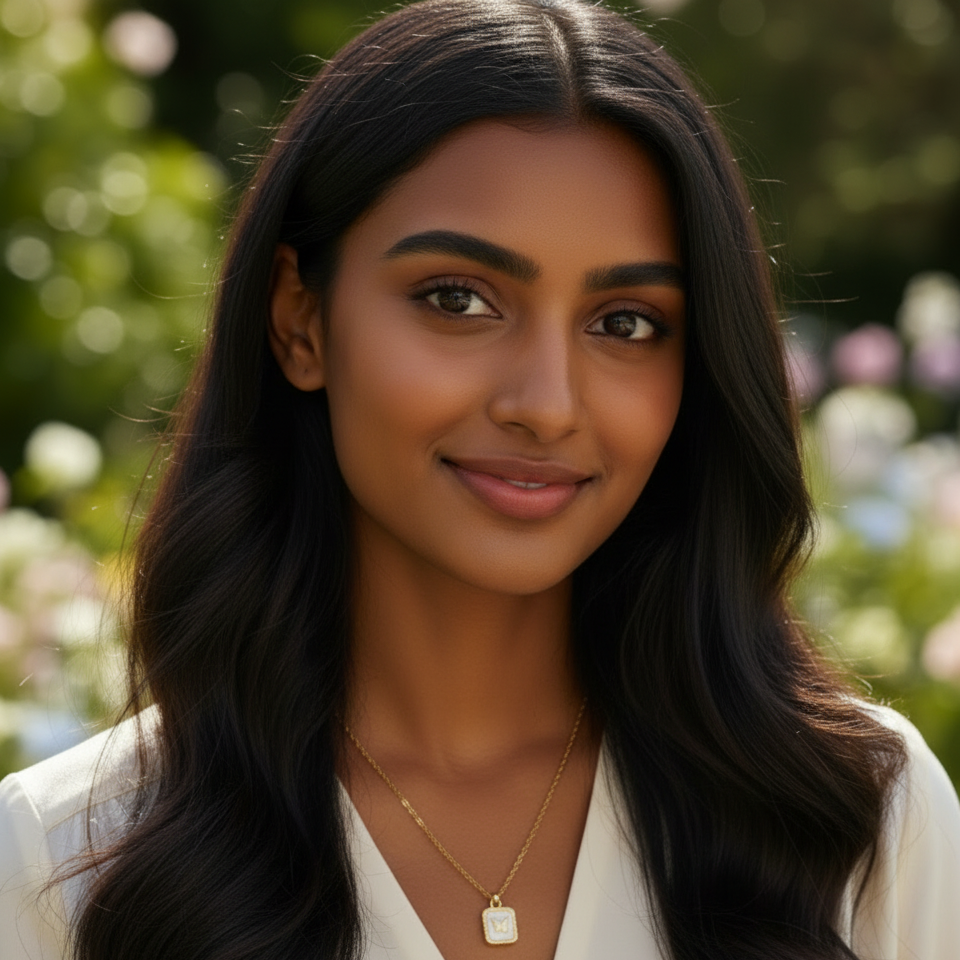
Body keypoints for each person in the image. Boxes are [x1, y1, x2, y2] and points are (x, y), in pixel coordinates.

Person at [2, 0, 959, 957]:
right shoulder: (64, 861)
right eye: (458, 300)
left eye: (625, 322)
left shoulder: (860, 825)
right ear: (300, 320)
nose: (546, 404)